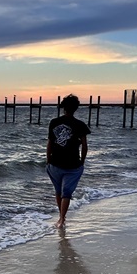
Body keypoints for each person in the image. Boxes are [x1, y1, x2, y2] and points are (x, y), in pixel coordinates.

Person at [46, 94, 90, 229]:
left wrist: (48, 160)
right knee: (66, 193)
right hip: (73, 164)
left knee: (58, 191)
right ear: (76, 108)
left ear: (63, 107)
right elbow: (84, 145)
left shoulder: (54, 122)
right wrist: (82, 161)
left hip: (55, 163)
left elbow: (50, 144)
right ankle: (62, 218)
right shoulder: (80, 125)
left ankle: (61, 218)